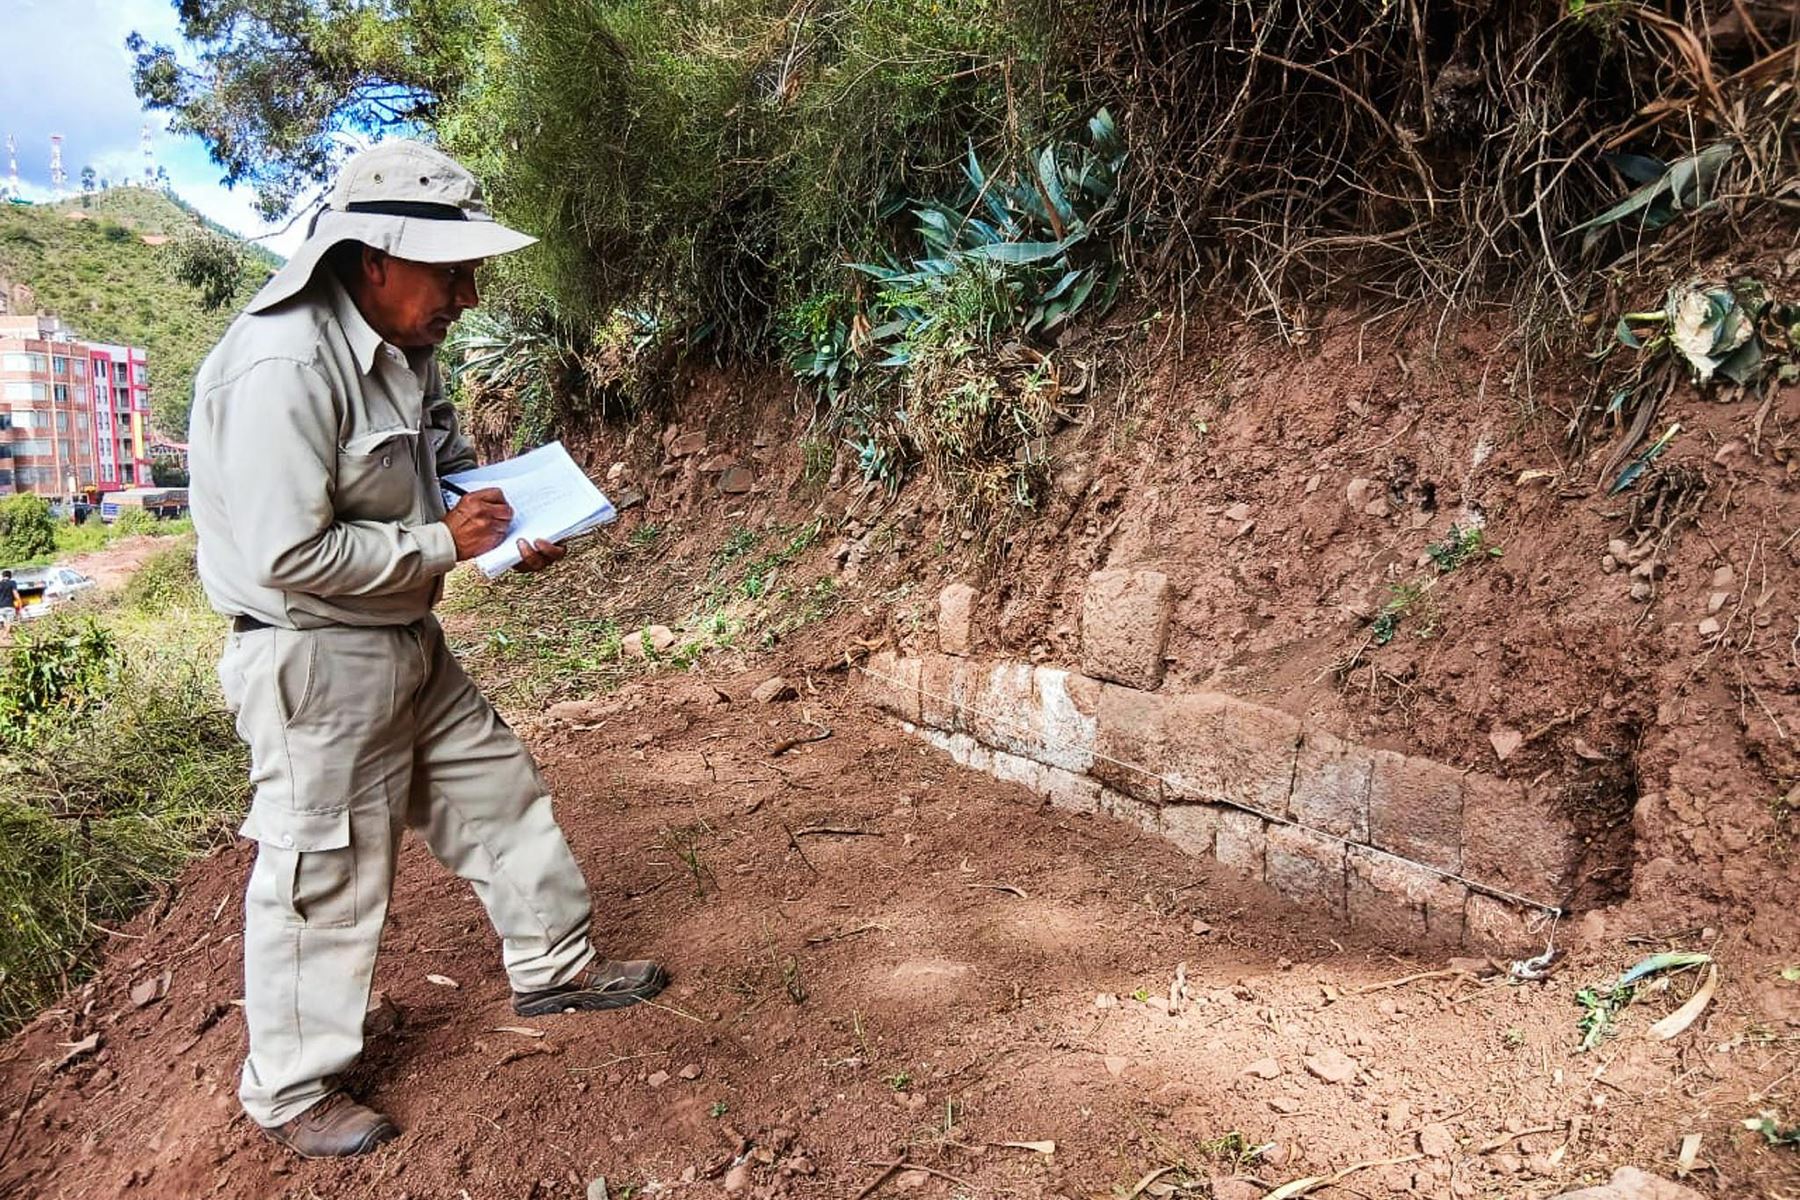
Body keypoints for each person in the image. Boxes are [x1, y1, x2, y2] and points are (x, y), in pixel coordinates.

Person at [187, 141, 668, 1160]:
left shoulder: (403, 344)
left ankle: (554, 968)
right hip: (313, 657)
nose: (471, 290)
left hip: (404, 633)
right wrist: (443, 544)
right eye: (452, 269)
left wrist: (503, 533)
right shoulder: (283, 365)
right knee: (323, 869)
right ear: (372, 258)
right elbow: (287, 553)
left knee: (496, 790)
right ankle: (293, 1089)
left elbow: (444, 471)